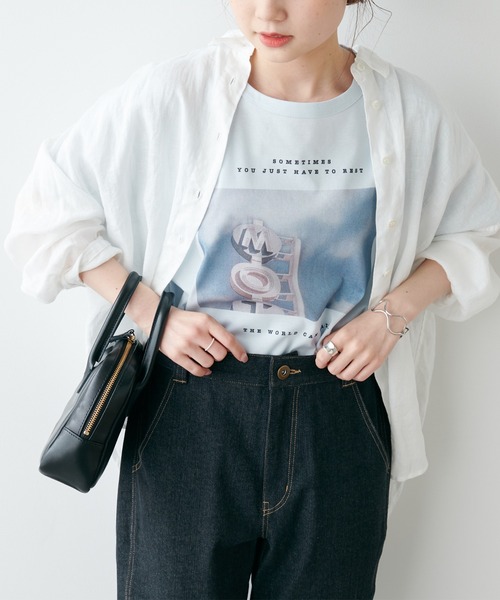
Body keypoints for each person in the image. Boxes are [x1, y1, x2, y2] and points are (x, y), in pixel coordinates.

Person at [5, 1, 500, 598]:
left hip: (338, 413)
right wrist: (153, 316)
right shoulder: (177, 95)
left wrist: (391, 317)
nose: (267, 11)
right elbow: (48, 213)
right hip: (188, 408)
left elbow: (478, 233)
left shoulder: (407, 111)